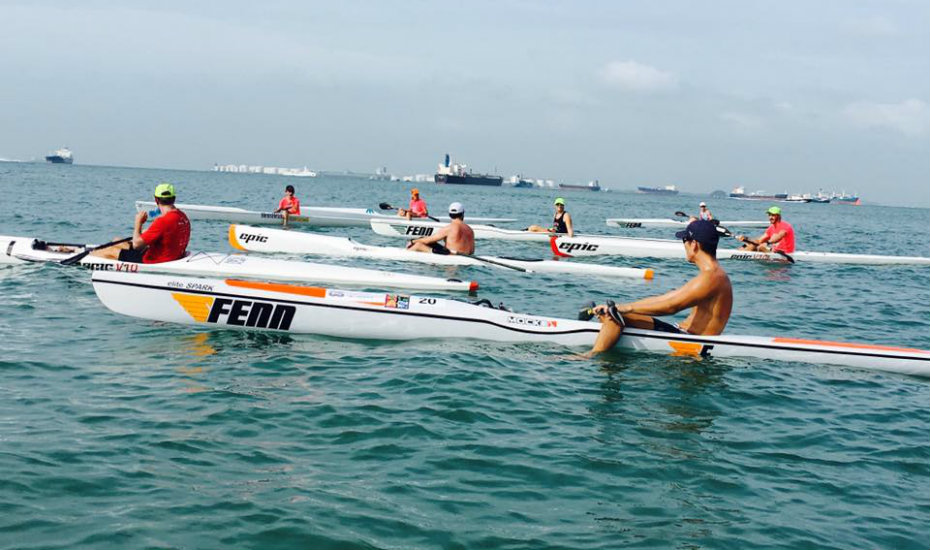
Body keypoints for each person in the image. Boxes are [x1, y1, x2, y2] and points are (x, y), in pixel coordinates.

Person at [584, 220, 732, 356]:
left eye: (684, 240)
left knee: (614, 315)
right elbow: (667, 298)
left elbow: (670, 307)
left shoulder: (712, 278)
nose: (684, 246)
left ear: (694, 244)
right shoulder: (712, 275)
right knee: (612, 313)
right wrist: (621, 307)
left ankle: (591, 357)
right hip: (679, 332)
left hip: (690, 341)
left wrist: (624, 309)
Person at [92, 183, 191, 263]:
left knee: (111, 251)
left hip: (153, 260)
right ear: (174, 199)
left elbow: (136, 245)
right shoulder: (183, 216)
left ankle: (85, 257)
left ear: (156, 199)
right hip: (171, 256)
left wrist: (138, 223)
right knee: (117, 240)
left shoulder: (163, 221)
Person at [406, 202, 475, 255]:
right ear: (462, 213)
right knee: (428, 242)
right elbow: (472, 251)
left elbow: (427, 241)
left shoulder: (449, 228)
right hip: (466, 257)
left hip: (451, 258)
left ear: (450, 215)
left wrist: (412, 241)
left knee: (419, 245)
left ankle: (404, 254)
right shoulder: (470, 230)